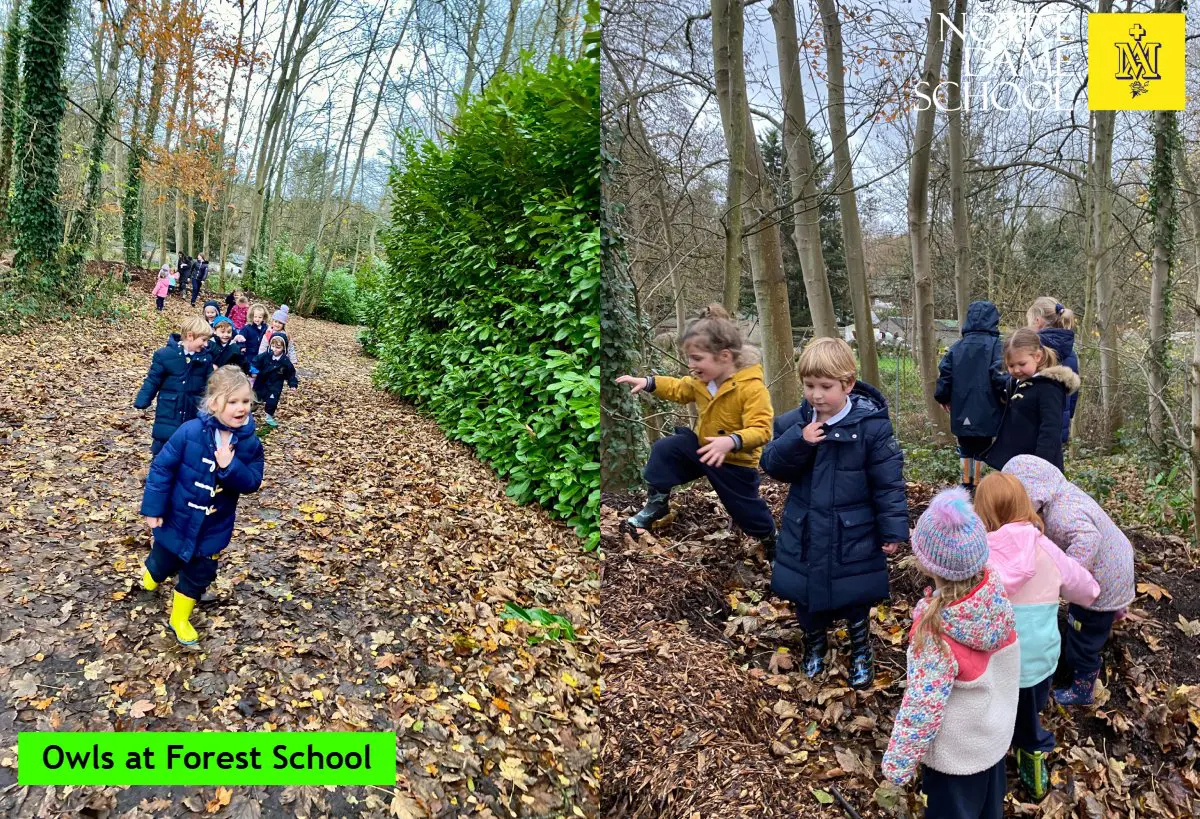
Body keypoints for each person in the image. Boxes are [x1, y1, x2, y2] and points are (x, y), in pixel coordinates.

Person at [760, 337, 907, 689]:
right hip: (806, 527)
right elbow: (772, 466)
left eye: (826, 387)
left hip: (853, 531)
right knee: (804, 595)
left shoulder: (872, 427)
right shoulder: (795, 423)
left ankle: (860, 650)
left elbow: (888, 483)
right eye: (810, 386)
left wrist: (893, 531)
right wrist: (799, 440)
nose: (816, 395)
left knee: (855, 595)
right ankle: (815, 644)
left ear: (848, 385)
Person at [882, 488, 1020, 818]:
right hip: (993, 739)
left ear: (928, 562)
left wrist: (898, 766)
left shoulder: (935, 633)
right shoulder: (994, 596)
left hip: (956, 759)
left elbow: (922, 705)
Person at [975, 473, 1098, 801]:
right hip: (1039, 660)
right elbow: (1083, 586)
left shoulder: (977, 553)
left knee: (992, 709)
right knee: (1029, 711)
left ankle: (991, 754)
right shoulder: (1046, 549)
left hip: (992, 661)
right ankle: (1031, 754)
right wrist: (1094, 597)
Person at [614, 304, 776, 549]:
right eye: (689, 358)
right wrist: (648, 382)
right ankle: (656, 504)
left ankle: (770, 540)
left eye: (697, 359)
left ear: (724, 356)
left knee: (747, 512)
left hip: (734, 462)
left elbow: (763, 429)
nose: (691, 365)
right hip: (702, 448)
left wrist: (732, 441)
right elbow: (679, 388)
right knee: (665, 450)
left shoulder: (751, 387)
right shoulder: (703, 380)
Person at [139, 366, 264, 645]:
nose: (240, 408)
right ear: (213, 403)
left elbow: (253, 481)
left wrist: (230, 467)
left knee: (199, 575)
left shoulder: (249, 443)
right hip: (177, 518)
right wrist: (153, 508)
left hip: (213, 527)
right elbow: (161, 469)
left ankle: (179, 618)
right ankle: (151, 577)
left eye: (245, 401)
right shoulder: (190, 432)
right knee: (161, 562)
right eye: (232, 402)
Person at [1002, 455, 1135, 706]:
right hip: (1117, 565)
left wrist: (1064, 574)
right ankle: (1111, 612)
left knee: (1081, 637)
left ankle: (1082, 687)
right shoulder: (1063, 495)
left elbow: (1088, 539)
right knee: (1095, 620)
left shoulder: (1062, 513)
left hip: (1102, 580)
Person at [934, 301, 1008, 492]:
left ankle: (965, 485)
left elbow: (945, 374)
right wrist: (1006, 396)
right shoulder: (996, 346)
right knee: (983, 447)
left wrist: (943, 397)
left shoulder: (957, 347)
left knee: (965, 446)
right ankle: (978, 487)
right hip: (988, 409)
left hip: (962, 409)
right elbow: (998, 374)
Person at [984, 329, 1078, 473]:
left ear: (1038, 357)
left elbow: (1050, 431)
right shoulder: (1015, 384)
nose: (1016, 370)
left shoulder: (1049, 387)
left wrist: (1039, 467)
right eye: (1011, 365)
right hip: (1016, 463)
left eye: (1022, 364)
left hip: (1039, 467)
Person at [134, 316, 215, 455]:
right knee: (163, 446)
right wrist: (143, 399)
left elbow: (209, 385)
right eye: (203, 340)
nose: (206, 344)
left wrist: (213, 405)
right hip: (168, 409)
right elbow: (153, 380)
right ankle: (158, 473)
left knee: (188, 445)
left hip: (192, 409)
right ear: (190, 336)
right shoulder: (165, 355)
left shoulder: (205, 359)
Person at [1027, 297, 1079, 445]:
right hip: (1058, 426)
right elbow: (1073, 392)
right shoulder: (1071, 353)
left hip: (1034, 425)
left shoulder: (1033, 349)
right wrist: (1067, 417)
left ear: (1038, 321)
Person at [251, 333, 298, 428]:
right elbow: (255, 361)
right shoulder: (266, 356)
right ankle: (248, 413)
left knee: (272, 401)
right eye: (272, 346)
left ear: (283, 348)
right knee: (255, 398)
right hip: (262, 381)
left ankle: (269, 416)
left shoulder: (285, 362)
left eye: (278, 347)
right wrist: (253, 370)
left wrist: (292, 384)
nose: (274, 349)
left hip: (275, 385)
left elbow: (291, 374)